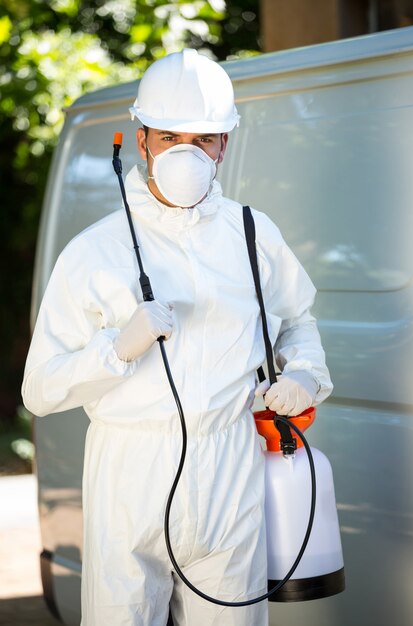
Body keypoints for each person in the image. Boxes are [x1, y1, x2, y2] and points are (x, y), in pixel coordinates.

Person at [22, 49, 333, 626]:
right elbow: (39, 390)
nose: (187, 154)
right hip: (130, 473)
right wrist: (116, 349)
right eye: (169, 137)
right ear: (140, 141)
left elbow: (297, 321)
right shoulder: (95, 250)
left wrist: (305, 374)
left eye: (204, 138)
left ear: (225, 145)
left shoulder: (251, 232)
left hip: (230, 470)